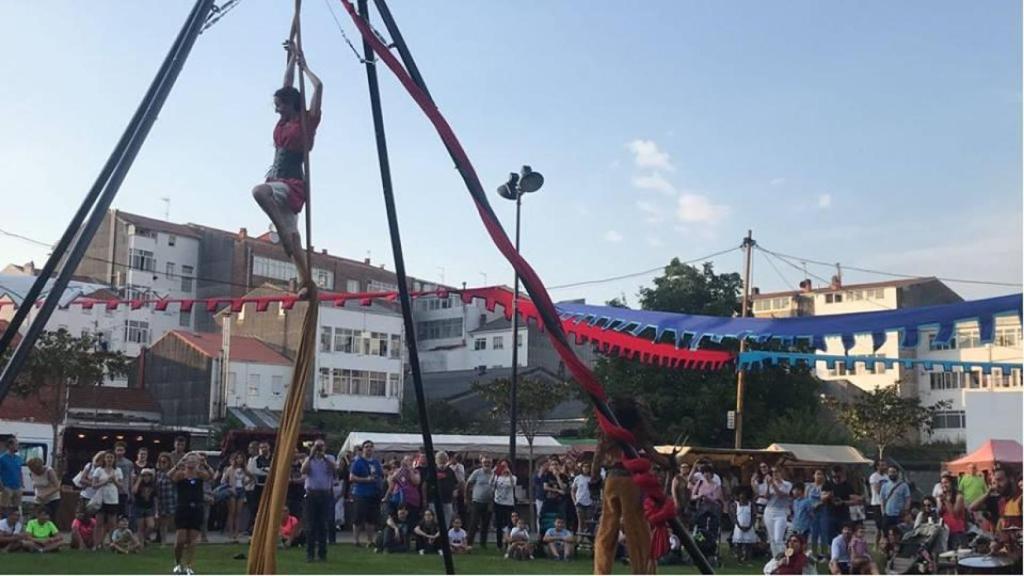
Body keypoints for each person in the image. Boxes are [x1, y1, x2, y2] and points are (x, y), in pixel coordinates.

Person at [252, 35, 323, 297]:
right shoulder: (283, 123)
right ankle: (306, 284)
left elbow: (319, 88)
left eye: (280, 106)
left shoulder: (306, 122)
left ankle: (279, 228)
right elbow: (287, 84)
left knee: (259, 192)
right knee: (294, 240)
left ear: (291, 104)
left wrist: (306, 68)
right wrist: (292, 57)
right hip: (277, 180)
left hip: (291, 183)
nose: (277, 110)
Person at [593, 396, 673, 575]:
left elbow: (598, 455)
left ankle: (601, 571)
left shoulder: (609, 434)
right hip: (631, 482)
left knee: (607, 528)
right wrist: (669, 463)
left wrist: (594, 477)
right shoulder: (636, 435)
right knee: (636, 528)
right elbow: (652, 454)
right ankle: (641, 570)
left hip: (612, 480)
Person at [170, 452, 214, 576]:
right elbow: (170, 476)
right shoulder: (181, 475)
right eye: (189, 460)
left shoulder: (200, 475)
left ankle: (189, 565)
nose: (191, 463)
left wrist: (205, 464)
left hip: (196, 508)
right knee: (180, 540)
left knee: (192, 540)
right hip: (182, 508)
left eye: (194, 461)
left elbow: (212, 476)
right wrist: (178, 465)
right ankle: (178, 563)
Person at [301, 438, 336, 562]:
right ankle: (310, 554)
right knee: (310, 525)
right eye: (317, 446)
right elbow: (303, 471)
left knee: (323, 525)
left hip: (325, 494)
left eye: (321, 446)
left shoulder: (330, 458)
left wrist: (324, 457)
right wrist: (311, 455)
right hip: (311, 494)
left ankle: (322, 554)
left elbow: (334, 469)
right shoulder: (309, 460)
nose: (319, 449)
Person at [349, 440, 383, 547]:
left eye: (371, 447)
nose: (369, 448)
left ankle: (370, 540)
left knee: (371, 519)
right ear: (363, 449)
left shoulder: (376, 462)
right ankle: (356, 540)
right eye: (366, 447)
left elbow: (381, 475)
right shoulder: (358, 462)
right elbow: (351, 477)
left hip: (374, 493)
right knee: (358, 518)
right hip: (361, 493)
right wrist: (365, 479)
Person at [91, 450, 123, 550]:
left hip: (113, 499)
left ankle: (112, 544)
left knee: (112, 524)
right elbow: (94, 485)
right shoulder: (99, 470)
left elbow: (121, 486)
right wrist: (104, 481)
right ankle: (96, 544)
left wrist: (114, 480)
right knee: (99, 523)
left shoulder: (118, 470)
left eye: (111, 457)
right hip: (101, 499)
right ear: (104, 459)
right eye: (107, 457)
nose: (109, 459)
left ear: (114, 459)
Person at [764, 463, 794, 557]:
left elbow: (781, 495)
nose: (774, 474)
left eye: (776, 472)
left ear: (781, 473)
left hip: (781, 512)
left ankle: (786, 556)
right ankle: (776, 558)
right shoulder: (770, 484)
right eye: (773, 472)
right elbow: (767, 496)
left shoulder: (787, 484)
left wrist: (773, 484)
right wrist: (769, 486)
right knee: (772, 539)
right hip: (769, 511)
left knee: (778, 538)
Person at [465, 457, 495, 549]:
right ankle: (469, 543)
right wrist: (466, 497)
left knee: (485, 524)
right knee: (473, 523)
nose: (487, 464)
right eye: (485, 462)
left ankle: (483, 543)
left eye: (489, 462)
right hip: (477, 501)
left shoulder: (494, 474)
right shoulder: (477, 472)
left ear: (491, 463)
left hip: (489, 502)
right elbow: (468, 484)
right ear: (482, 463)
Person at [222, 451, 252, 543]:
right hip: (232, 490)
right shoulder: (230, 469)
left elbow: (251, 477)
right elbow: (223, 481)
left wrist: (245, 483)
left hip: (241, 490)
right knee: (232, 512)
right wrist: (230, 488)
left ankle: (236, 532)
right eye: (238, 458)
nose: (239, 460)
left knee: (239, 512)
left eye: (241, 458)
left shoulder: (244, 470)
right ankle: (230, 532)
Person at [246, 442, 272, 535]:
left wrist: (265, 470)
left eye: (265, 446)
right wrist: (266, 470)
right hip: (258, 486)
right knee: (255, 508)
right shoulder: (257, 459)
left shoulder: (273, 458)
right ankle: (253, 529)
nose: (263, 449)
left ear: (268, 447)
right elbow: (255, 471)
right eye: (262, 447)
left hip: (270, 486)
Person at [807, 469, 831, 560]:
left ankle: (824, 554)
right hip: (812, 513)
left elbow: (825, 498)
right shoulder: (809, 487)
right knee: (814, 534)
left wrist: (818, 503)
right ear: (814, 475)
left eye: (821, 474)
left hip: (823, 512)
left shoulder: (825, 487)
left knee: (823, 534)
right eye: (817, 474)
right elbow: (806, 498)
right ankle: (814, 553)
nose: (819, 476)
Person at [492, 459, 517, 549]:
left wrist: (509, 473)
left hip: (509, 503)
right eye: (502, 466)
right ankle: (499, 544)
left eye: (505, 466)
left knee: (509, 523)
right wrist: (495, 473)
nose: (504, 468)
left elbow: (512, 484)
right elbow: (491, 484)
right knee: (499, 524)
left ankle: (508, 542)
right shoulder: (497, 477)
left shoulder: (513, 477)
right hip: (498, 502)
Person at [938, 474, 967, 549]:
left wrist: (946, 501)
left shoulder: (959, 496)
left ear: (952, 483)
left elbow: (955, 514)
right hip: (946, 532)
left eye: (946, 482)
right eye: (942, 483)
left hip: (957, 531)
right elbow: (940, 513)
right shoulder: (942, 497)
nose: (944, 485)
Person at [879, 466, 910, 532]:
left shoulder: (904, 485)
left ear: (897, 473)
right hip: (887, 514)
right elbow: (882, 500)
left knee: (898, 533)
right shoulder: (885, 485)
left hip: (899, 515)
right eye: (890, 472)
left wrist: (905, 510)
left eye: (893, 472)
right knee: (885, 532)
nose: (891, 474)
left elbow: (907, 499)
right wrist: (883, 512)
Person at [154, 452, 177, 546]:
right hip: (161, 500)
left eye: (164, 462)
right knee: (162, 523)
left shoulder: (173, 473)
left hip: (171, 500)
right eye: (161, 462)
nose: (162, 464)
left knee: (173, 522)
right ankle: (163, 541)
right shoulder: (158, 474)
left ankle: (179, 540)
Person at [731, 486, 758, 562]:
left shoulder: (751, 505)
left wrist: (750, 525)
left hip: (749, 526)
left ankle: (748, 558)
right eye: (740, 494)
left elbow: (753, 516)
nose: (742, 496)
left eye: (744, 494)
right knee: (739, 543)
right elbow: (734, 516)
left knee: (748, 544)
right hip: (739, 527)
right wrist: (738, 525)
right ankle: (739, 558)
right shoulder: (736, 505)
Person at [133, 468, 157, 547]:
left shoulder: (153, 485)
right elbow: (134, 491)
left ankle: (144, 538)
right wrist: (139, 480)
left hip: (149, 507)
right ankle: (141, 544)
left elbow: (155, 498)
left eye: (148, 475)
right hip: (139, 506)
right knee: (140, 527)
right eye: (144, 475)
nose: (146, 477)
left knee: (151, 525)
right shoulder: (139, 484)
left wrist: (156, 510)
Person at [433, 451, 459, 526]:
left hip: (448, 500)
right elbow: (426, 484)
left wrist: (455, 490)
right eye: (440, 459)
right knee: (436, 519)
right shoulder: (433, 470)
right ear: (436, 461)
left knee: (447, 519)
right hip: (435, 499)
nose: (442, 461)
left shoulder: (450, 471)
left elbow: (455, 483)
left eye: (444, 459)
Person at [0, 437, 24, 515]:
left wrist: (22, 484)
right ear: (10, 445)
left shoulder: (18, 458)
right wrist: (2, 487)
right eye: (16, 445)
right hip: (7, 487)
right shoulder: (2, 458)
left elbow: (20, 471)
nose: (17, 446)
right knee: (5, 508)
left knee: (17, 509)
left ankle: (15, 525)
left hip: (17, 487)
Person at [113, 441, 135, 519]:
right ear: (115, 451)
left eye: (121, 450)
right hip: (112, 491)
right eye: (118, 450)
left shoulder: (129, 463)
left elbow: (131, 478)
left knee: (123, 514)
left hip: (124, 491)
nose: (119, 452)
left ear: (124, 451)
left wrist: (131, 492)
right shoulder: (112, 462)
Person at [571, 462, 594, 535]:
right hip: (580, 502)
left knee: (589, 522)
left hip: (589, 502)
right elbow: (573, 490)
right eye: (584, 467)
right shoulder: (578, 478)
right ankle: (579, 540)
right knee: (580, 522)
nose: (586, 469)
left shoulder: (591, 478)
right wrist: (575, 501)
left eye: (587, 467)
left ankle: (588, 540)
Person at [867, 461, 886, 546]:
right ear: (877, 466)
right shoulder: (874, 477)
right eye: (882, 465)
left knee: (885, 526)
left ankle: (883, 544)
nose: (884, 467)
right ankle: (876, 544)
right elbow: (877, 490)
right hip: (877, 503)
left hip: (886, 504)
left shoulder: (887, 476)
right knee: (879, 526)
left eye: (884, 465)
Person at [671, 462, 693, 527]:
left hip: (687, 501)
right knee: (679, 519)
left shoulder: (689, 478)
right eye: (683, 467)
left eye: (686, 468)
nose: (684, 469)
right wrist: (676, 501)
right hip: (679, 500)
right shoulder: (677, 478)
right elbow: (673, 490)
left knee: (687, 519)